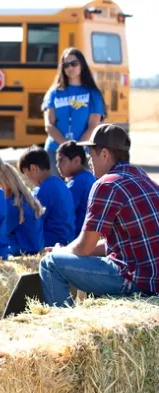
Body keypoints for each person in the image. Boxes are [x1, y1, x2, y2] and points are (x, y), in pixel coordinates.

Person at [40, 124, 159, 307]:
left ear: (104, 154)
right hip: (152, 278)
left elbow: (84, 248)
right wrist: (66, 249)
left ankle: (64, 326)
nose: (88, 160)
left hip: (134, 279)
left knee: (50, 264)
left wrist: (60, 252)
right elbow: (119, 242)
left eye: (90, 154)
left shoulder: (106, 184)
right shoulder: (144, 179)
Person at [42, 47, 105, 176]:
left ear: (82, 65)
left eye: (74, 64)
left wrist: (76, 149)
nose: (70, 68)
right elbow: (49, 125)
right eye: (66, 65)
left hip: (84, 154)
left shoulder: (92, 93)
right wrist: (67, 148)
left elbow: (93, 126)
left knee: (82, 192)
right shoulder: (53, 93)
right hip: (55, 152)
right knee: (57, 193)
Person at [18, 146, 75, 247]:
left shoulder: (42, 191)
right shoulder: (61, 184)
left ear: (33, 168)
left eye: (27, 175)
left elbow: (30, 223)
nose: (28, 180)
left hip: (50, 241)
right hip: (68, 239)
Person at [0, 162, 45, 256]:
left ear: (7, 182)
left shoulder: (14, 203)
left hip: (21, 250)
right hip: (34, 248)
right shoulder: (25, 198)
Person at [56, 141, 97, 238]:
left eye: (61, 160)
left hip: (78, 236)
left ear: (76, 161)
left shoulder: (77, 183)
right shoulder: (89, 176)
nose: (57, 165)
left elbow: (61, 213)